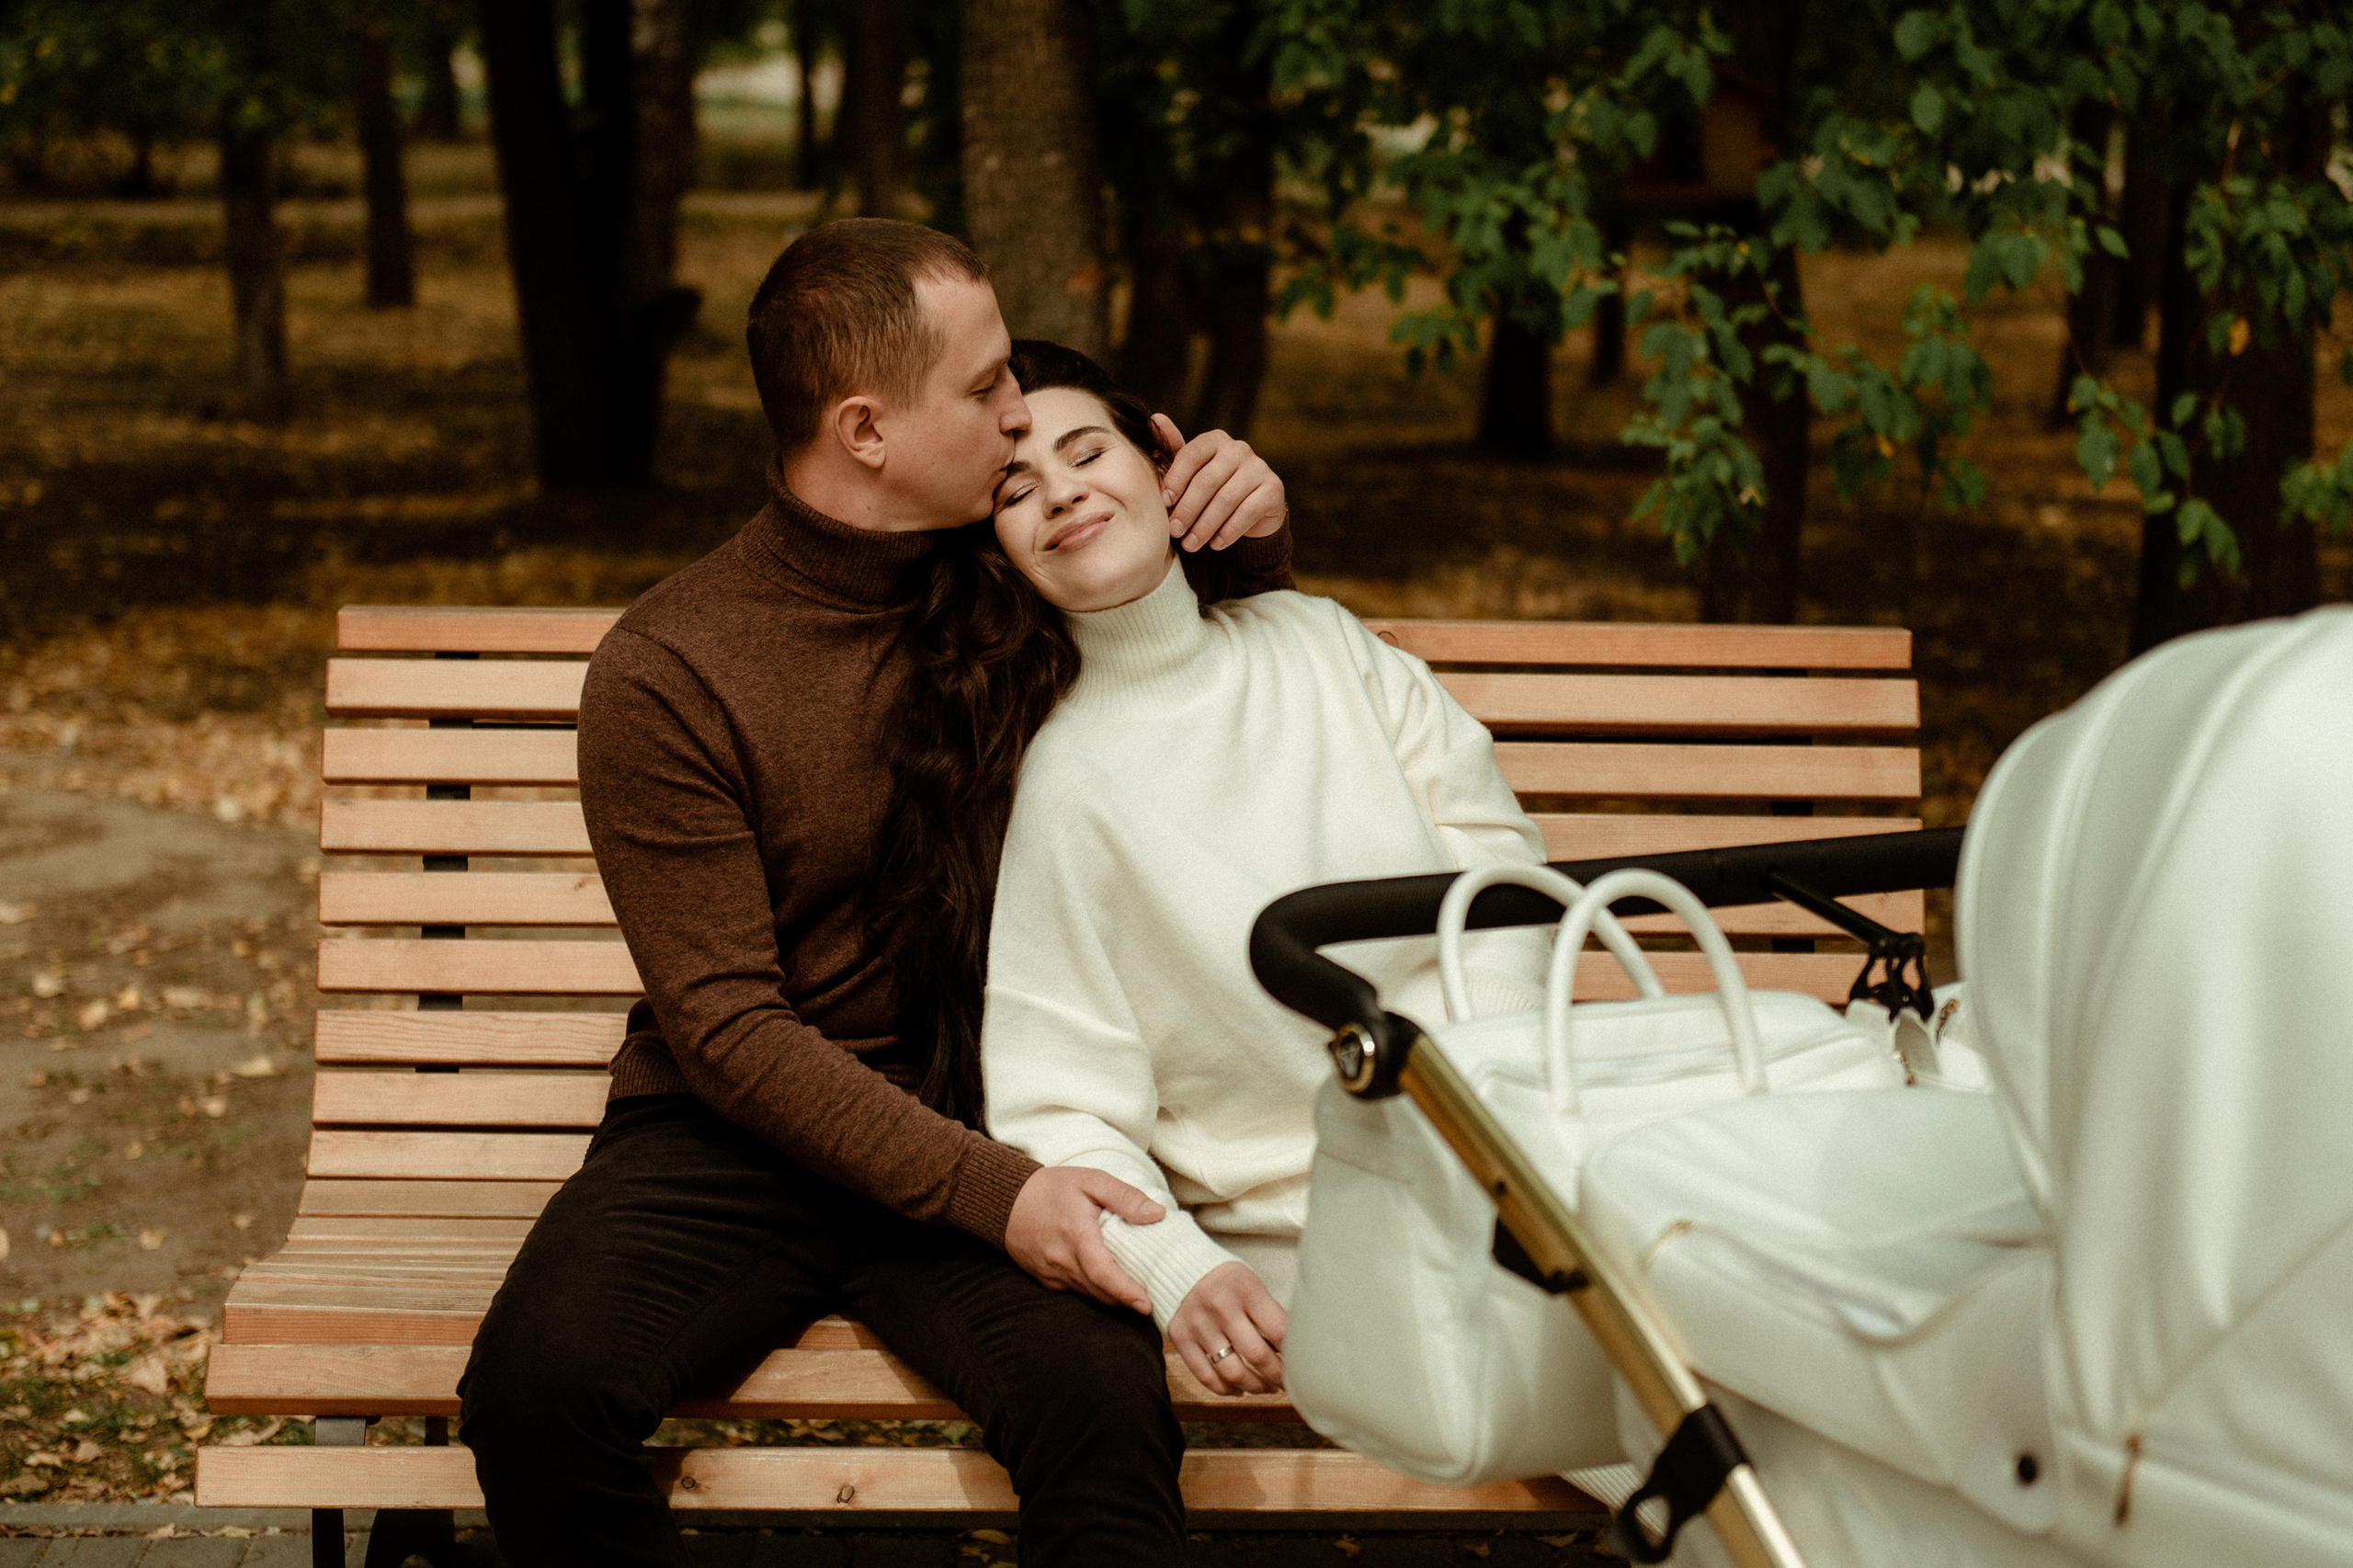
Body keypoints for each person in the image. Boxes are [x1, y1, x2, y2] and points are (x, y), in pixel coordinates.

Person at [457, 220, 1294, 1568]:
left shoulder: (1020, 565)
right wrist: (999, 1196)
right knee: (535, 1395)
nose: (1018, 410)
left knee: (1102, 1411)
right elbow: (729, 1029)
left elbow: (1208, 670)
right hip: (738, 1134)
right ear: (865, 429)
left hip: (991, 1096)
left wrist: (1248, 523)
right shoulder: (668, 667)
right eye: (984, 385)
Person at [873, 342, 1552, 1408]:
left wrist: (1482, 1073)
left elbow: (1498, 861)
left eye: (1086, 451)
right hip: (1341, 1222)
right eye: (1014, 487)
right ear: (999, 549)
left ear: (1163, 465)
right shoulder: (1065, 787)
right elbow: (1060, 1107)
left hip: (1525, 1124)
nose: (1062, 491)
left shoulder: (1319, 642)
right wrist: (1178, 1267)